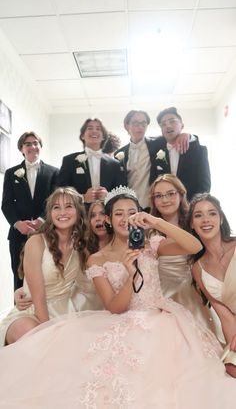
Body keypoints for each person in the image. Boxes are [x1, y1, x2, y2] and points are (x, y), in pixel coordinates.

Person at [0, 187, 236, 408]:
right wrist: (130, 275)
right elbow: (115, 307)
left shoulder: (151, 245)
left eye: (132, 213)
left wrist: (156, 222)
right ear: (109, 220)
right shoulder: (97, 259)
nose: (126, 219)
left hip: (163, 321)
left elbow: (194, 246)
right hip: (123, 320)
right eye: (119, 214)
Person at [0, 186, 87, 346]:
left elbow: (84, 285)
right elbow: (38, 297)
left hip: (65, 313)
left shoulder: (81, 246)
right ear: (50, 213)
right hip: (33, 312)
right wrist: (48, 334)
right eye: (56, 207)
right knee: (31, 333)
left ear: (78, 211)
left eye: (68, 206)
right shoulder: (36, 242)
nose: (62, 212)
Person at [149, 174, 215, 331]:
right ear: (153, 201)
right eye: (159, 196)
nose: (165, 200)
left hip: (195, 293)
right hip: (164, 297)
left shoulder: (194, 224)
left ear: (181, 194)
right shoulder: (150, 231)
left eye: (170, 194)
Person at [1, 131, 59, 290]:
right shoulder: (11, 173)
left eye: (35, 143)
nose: (32, 146)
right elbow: (6, 204)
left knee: (46, 274)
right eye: (28, 144)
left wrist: (41, 220)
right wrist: (17, 223)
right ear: (21, 149)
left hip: (46, 232)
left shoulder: (54, 172)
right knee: (19, 275)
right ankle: (20, 313)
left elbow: (54, 202)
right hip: (18, 235)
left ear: (40, 146)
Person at [188, 192, 236, 377]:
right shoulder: (197, 268)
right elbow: (225, 316)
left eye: (212, 213)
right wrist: (233, 344)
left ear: (221, 219)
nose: (205, 220)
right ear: (192, 223)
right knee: (230, 368)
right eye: (198, 215)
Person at [115, 109, 190, 210]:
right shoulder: (119, 154)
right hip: (131, 207)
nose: (140, 127)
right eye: (135, 123)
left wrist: (186, 135)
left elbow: (175, 135)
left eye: (143, 123)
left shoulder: (158, 143)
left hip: (154, 205)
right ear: (126, 126)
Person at [57, 118, 124, 205]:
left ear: (103, 136)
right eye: (90, 128)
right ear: (82, 135)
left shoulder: (115, 164)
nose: (94, 131)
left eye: (98, 129)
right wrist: (82, 197)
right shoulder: (69, 161)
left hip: (107, 214)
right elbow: (60, 191)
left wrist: (109, 196)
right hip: (80, 213)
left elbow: (122, 194)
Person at [156, 106, 211, 201]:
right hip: (165, 207)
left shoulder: (198, 151)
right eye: (163, 124)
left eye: (172, 121)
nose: (168, 125)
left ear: (182, 125)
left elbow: (204, 185)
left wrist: (194, 207)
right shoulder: (157, 153)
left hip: (190, 207)